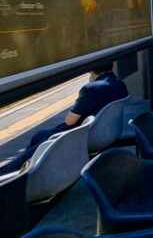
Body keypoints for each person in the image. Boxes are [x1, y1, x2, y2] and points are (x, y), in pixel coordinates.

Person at [0, 62, 128, 175]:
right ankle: (23, 168)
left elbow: (70, 121)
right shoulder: (120, 84)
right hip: (108, 131)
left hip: (84, 135)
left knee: (39, 137)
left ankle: (11, 174)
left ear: (91, 69)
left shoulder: (91, 89)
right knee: (39, 138)